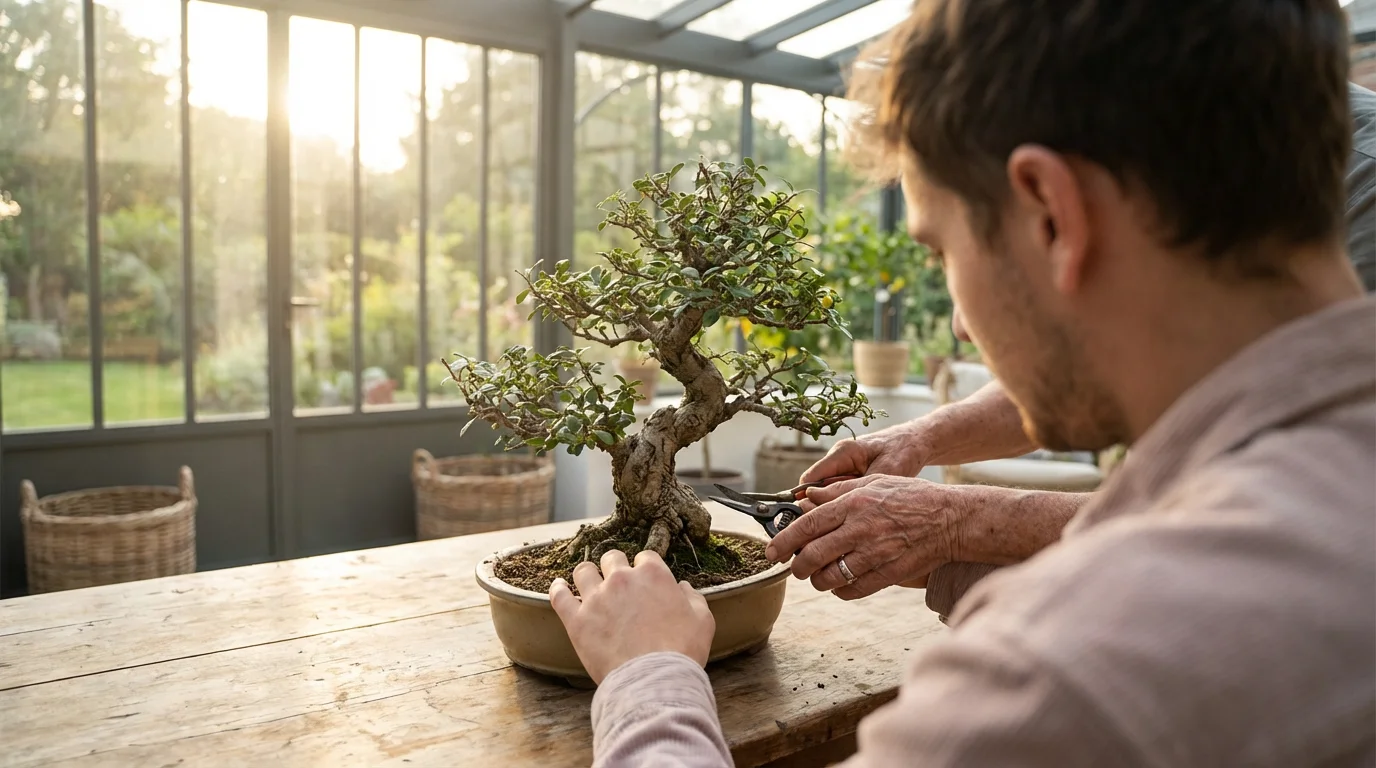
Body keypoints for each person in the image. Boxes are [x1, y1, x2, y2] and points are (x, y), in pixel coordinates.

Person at [549, 1, 1376, 765]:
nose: (960, 325)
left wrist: (648, 673)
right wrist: (950, 553)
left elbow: (1103, 652)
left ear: (1051, 213)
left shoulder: (1061, 679)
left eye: (942, 251)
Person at [788, 80, 1376, 617]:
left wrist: (956, 523)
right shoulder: (1188, 160)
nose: (962, 328)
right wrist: (921, 440)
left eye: (947, 254)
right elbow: (1080, 371)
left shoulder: (1356, 200)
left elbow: (1273, 525)